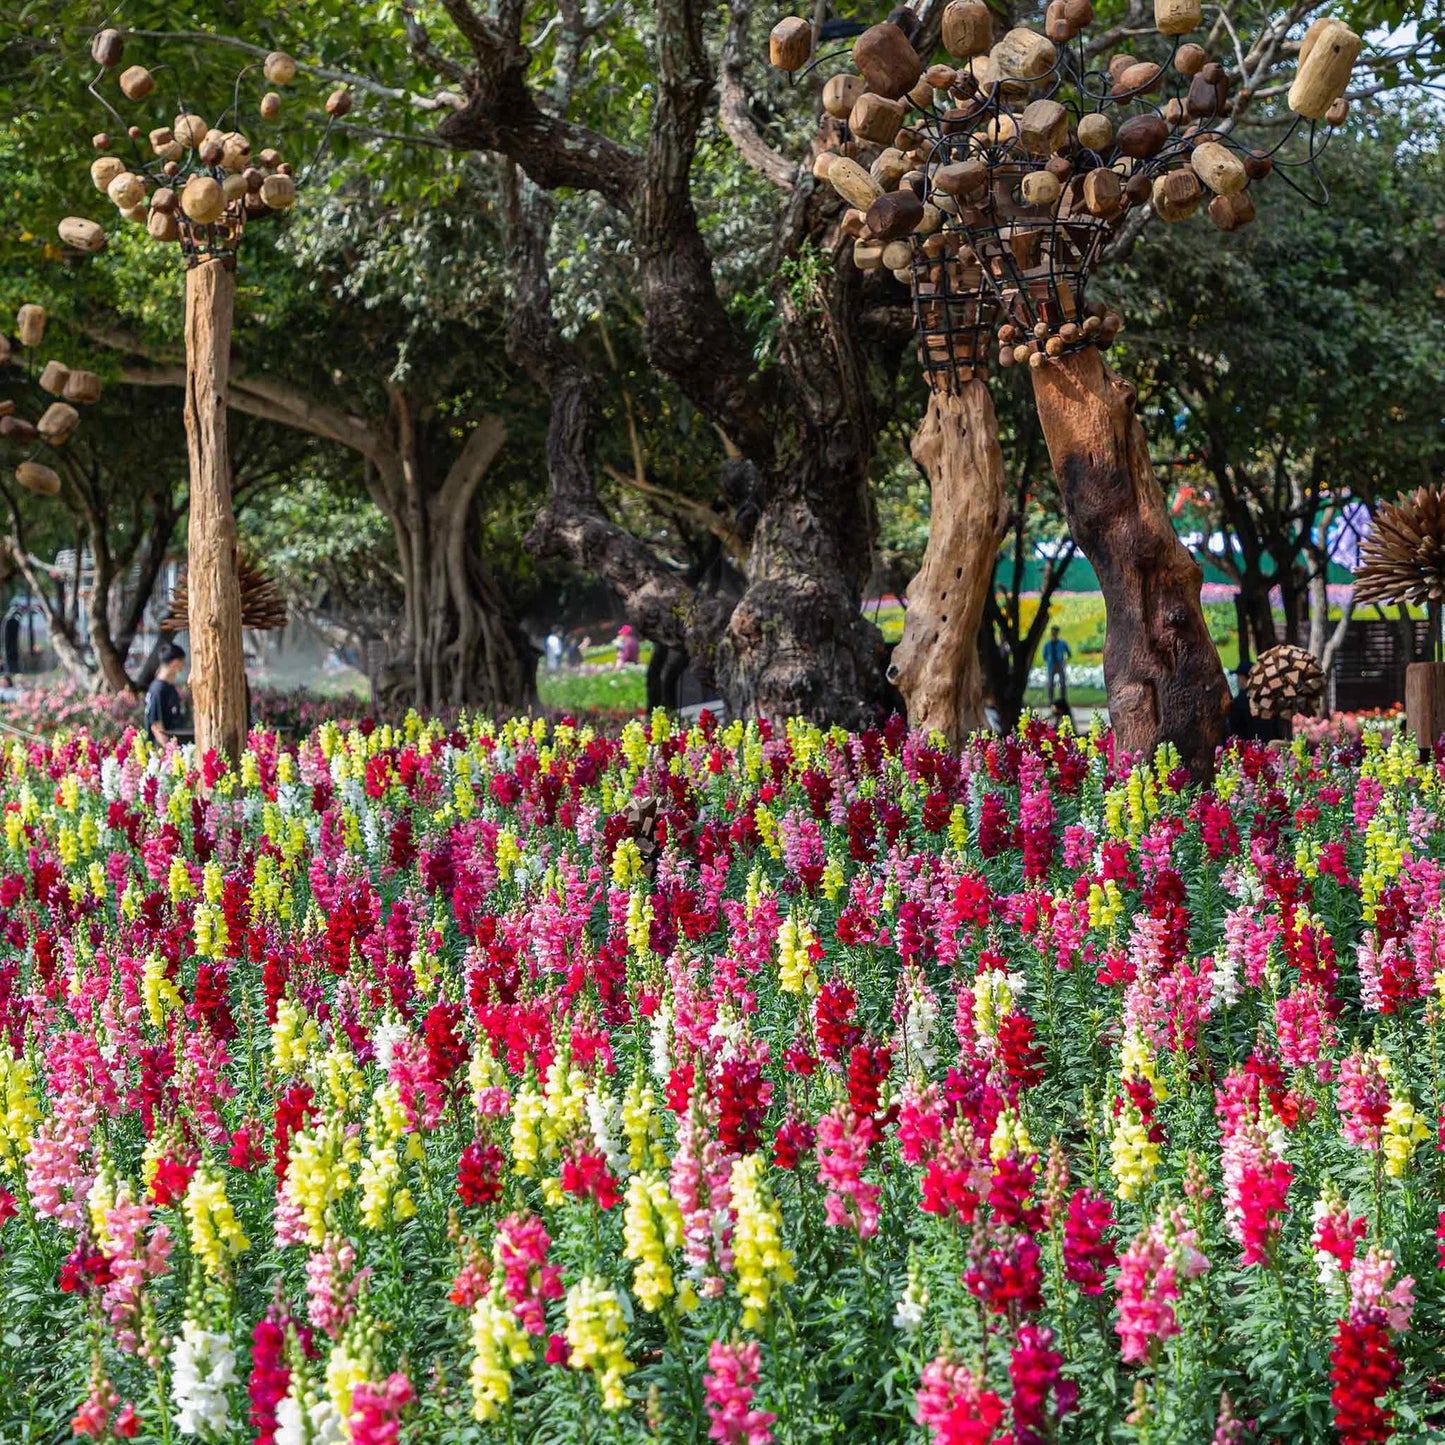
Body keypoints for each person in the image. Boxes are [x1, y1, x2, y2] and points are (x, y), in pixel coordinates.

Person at [1224, 664, 1289, 745]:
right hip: (1270, 743)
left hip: (1250, 746)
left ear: (1242, 678)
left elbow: (1235, 728)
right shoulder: (1269, 696)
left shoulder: (1239, 701)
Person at [145, 643, 190, 745]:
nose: (183, 666)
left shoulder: (167, 687)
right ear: (175, 663)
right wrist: (170, 749)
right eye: (182, 662)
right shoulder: (159, 689)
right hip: (166, 749)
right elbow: (156, 726)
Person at [1042, 626, 1071, 708]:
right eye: (1053, 633)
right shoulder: (1047, 644)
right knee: (1050, 684)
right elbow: (1044, 656)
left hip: (1060, 664)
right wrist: (1049, 661)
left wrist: (1064, 661)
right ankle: (1050, 701)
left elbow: (1069, 654)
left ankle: (1062, 701)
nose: (1054, 635)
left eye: (1055, 633)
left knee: (1062, 684)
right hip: (1051, 665)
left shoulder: (1062, 643)